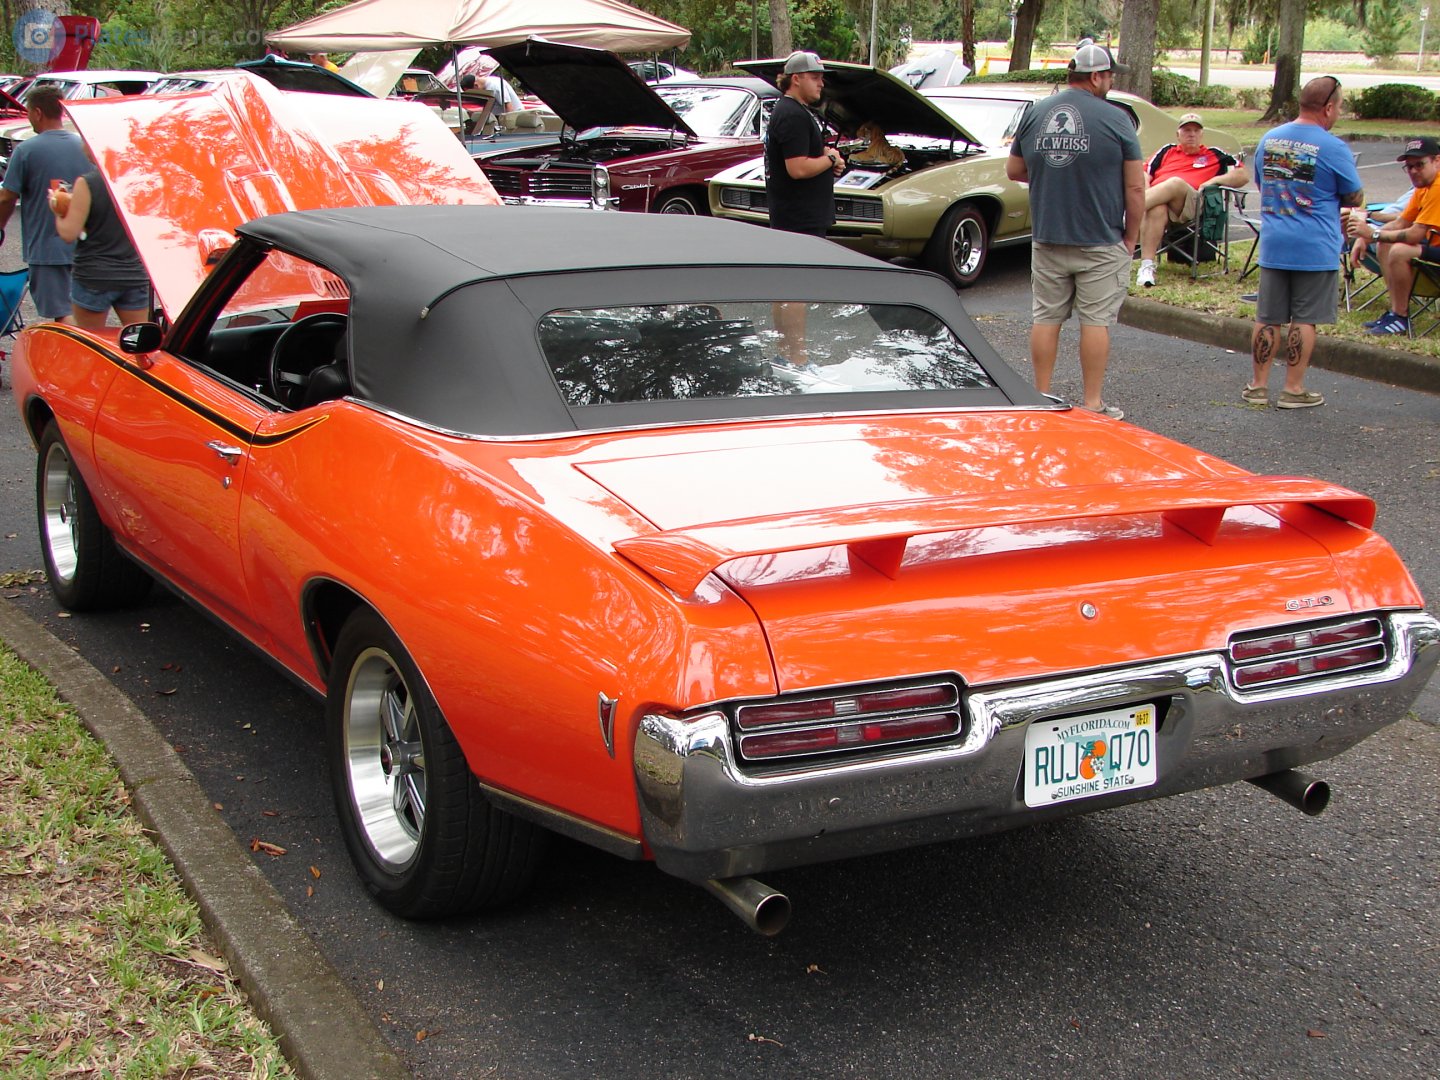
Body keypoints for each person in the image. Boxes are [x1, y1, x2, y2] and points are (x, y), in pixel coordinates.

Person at [1006, 39, 1144, 420]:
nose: (1111, 82)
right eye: (1109, 75)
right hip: (1100, 237)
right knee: (1095, 320)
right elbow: (1135, 187)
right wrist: (1131, 238)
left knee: (1046, 317)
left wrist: (1054, 172)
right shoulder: (1117, 119)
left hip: (1048, 235)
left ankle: (1041, 396)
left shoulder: (1036, 112)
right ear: (1095, 77)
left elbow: (1014, 169)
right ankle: (1093, 404)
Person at [1244, 76, 1363, 409]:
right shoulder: (1333, 147)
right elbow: (1353, 195)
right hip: (1315, 244)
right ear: (1328, 107)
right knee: (1304, 319)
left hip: (1274, 240)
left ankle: (1257, 386)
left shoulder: (1269, 139)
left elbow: (1261, 182)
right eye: (1339, 107)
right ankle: (1293, 389)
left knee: (1267, 316)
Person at [765, 51, 845, 373]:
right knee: (797, 289)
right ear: (795, 79)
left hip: (791, 213)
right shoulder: (794, 114)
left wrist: (827, 158)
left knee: (784, 288)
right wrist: (830, 160)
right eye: (815, 77)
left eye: (822, 78)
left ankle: (785, 355)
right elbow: (797, 168)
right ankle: (798, 360)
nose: (821, 83)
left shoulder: (790, 111)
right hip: (799, 217)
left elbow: (803, 155)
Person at [0, 85, 91, 324]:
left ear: (38, 112)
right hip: (88, 247)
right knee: (87, 312)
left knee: (63, 314)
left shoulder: (26, 151)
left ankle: (75, 347)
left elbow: (7, 197)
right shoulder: (85, 147)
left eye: (29, 111)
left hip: (48, 249)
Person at [1134, 113, 1249, 288]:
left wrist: (1214, 181)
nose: (1191, 134)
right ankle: (1146, 267)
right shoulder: (1166, 151)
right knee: (1157, 208)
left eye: (1196, 130)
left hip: (1194, 204)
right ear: (1178, 134)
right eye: (1187, 130)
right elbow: (1144, 173)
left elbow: (1243, 175)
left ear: (1202, 134)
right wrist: (1147, 189)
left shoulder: (1214, 154)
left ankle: (1129, 212)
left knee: (1175, 183)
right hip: (1161, 204)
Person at [1343, 136, 1440, 335]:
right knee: (1385, 244)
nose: (1414, 171)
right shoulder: (1423, 187)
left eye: (1419, 165)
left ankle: (1401, 317)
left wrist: (1373, 233)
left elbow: (1414, 234)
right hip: (1434, 247)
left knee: (1399, 251)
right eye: (1409, 166)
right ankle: (1397, 314)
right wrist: (1366, 237)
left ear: (1436, 161)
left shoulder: (1437, 188)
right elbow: (1401, 222)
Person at [50, 159, 150, 329]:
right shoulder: (141, 180)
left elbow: (69, 233)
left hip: (94, 275)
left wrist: (58, 208)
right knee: (141, 339)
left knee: (90, 339)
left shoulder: (88, 183)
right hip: (134, 273)